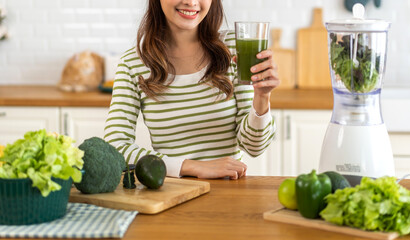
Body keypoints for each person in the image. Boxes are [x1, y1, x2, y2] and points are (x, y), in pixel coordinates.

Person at [104, 0, 280, 179]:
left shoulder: (234, 49)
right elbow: (114, 146)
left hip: (229, 193)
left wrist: (262, 96)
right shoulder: (133, 64)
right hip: (171, 193)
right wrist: (191, 167)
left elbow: (254, 147)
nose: (191, 2)